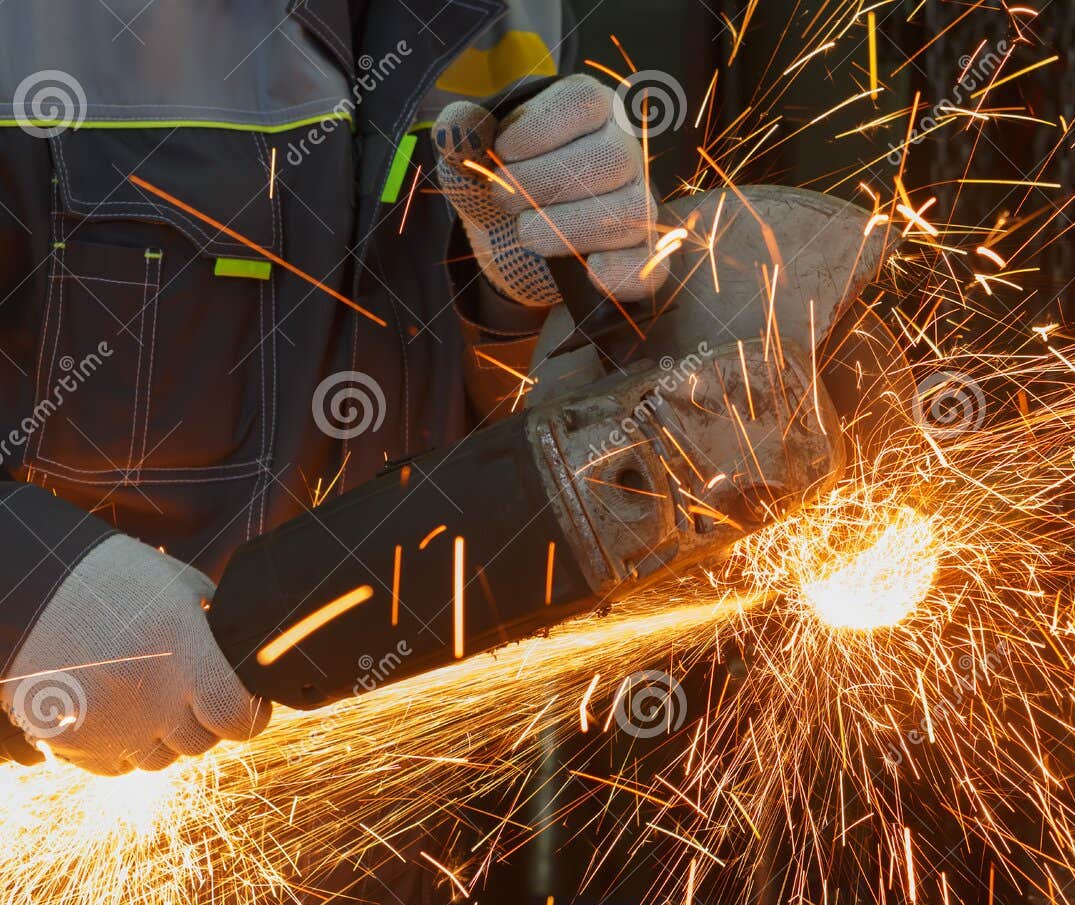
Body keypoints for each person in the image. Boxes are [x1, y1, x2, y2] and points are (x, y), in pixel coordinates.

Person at [0, 1, 664, 775]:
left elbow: (495, 418)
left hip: (387, 798)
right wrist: (29, 593)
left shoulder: (514, 12)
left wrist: (517, 303)